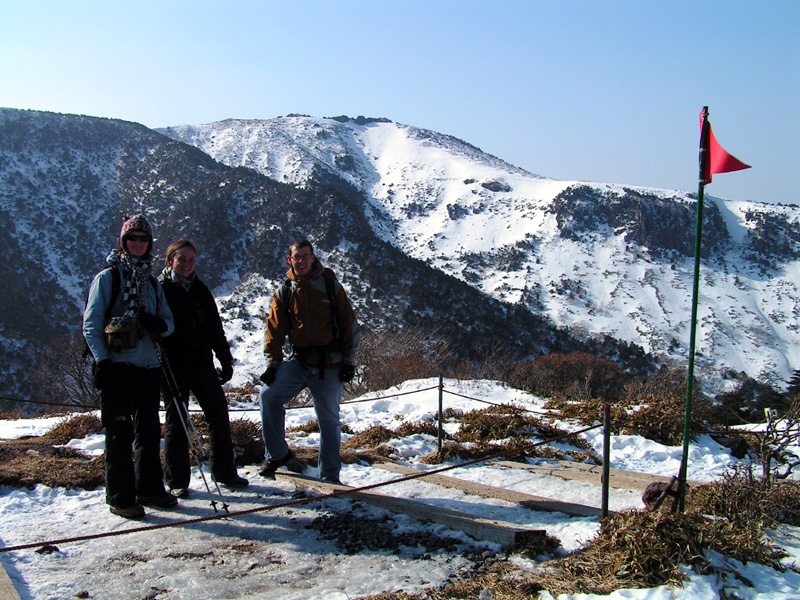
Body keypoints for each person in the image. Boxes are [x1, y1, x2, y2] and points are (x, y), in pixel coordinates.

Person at [83, 214, 177, 519]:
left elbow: (169, 324)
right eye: (132, 238)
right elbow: (91, 324)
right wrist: (102, 361)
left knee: (149, 432)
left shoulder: (151, 282)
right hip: (118, 367)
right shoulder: (108, 278)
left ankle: (148, 487)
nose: (138, 244)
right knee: (119, 434)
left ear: (149, 244)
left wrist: (157, 324)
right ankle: (121, 496)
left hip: (149, 366)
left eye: (143, 239)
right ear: (123, 242)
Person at [259, 239, 360, 483]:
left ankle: (330, 476)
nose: (302, 261)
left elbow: (349, 325)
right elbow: (274, 329)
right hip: (300, 362)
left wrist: (348, 360)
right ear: (289, 259)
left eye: (306, 256)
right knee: (268, 396)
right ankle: (278, 454)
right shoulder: (285, 291)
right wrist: (273, 364)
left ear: (313, 257)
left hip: (330, 364)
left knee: (328, 420)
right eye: (297, 257)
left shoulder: (330, 286)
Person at [158, 239, 248, 497]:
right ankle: (176, 480)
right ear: (170, 260)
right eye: (182, 259)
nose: (187, 264)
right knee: (177, 419)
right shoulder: (160, 289)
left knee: (218, 413)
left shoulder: (199, 289)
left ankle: (225, 472)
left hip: (201, 361)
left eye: (191, 260)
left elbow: (214, 327)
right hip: (172, 364)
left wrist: (224, 359)